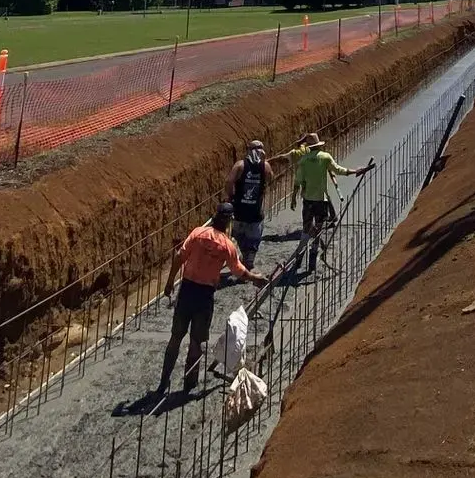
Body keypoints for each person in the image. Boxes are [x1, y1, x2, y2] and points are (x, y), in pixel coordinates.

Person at [158, 202, 269, 395]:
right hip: (204, 296)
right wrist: (255, 279)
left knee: (175, 337)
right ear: (229, 222)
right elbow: (238, 270)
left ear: (215, 216)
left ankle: (163, 382)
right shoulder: (227, 246)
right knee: (196, 342)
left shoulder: (198, 234)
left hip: (186, 291)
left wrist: (169, 283)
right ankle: (189, 385)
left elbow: (179, 257)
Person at [284, 131, 373, 271]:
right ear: (319, 145)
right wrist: (356, 171)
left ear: (309, 147)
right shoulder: (325, 157)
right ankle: (312, 262)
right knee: (318, 229)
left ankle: (299, 259)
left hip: (308, 201)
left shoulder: (303, 160)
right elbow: (339, 170)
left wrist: (294, 198)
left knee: (306, 230)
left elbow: (298, 181)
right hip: (321, 201)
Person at [227, 139, 275, 268]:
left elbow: (230, 181)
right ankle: (248, 262)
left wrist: (231, 198)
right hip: (255, 211)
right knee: (253, 239)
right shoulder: (265, 166)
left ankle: (242, 260)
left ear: (248, 150)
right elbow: (271, 179)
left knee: (238, 236)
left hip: (239, 210)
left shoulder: (240, 165)